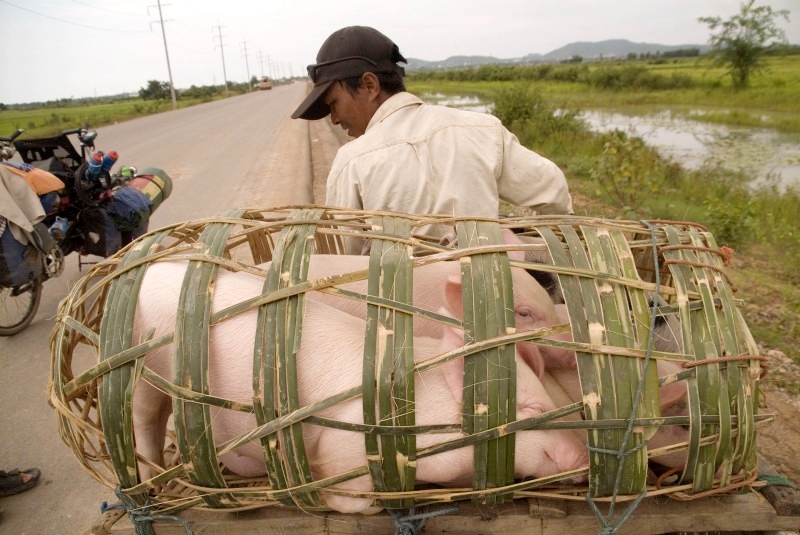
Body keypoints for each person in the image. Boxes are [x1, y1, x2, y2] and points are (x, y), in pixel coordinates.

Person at [292, 25, 573, 250]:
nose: (334, 118)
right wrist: (534, 238)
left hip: (401, 315)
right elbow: (553, 191)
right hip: (494, 304)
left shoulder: (351, 161)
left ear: (369, 85)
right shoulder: (481, 129)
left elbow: (348, 258)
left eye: (333, 104)